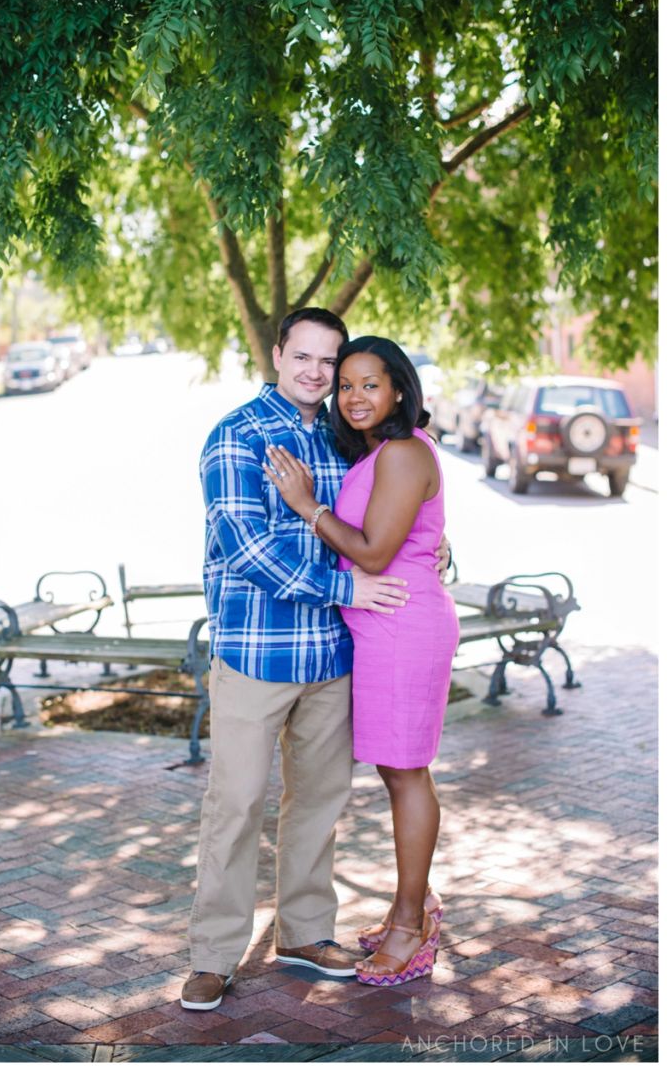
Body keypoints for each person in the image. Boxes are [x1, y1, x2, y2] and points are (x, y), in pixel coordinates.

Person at [182, 308, 449, 1011]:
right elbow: (245, 547)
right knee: (236, 804)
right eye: (303, 356)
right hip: (255, 649)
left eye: (329, 362)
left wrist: (430, 552)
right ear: (277, 354)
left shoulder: (344, 442)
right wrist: (347, 583)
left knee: (318, 805)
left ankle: (304, 932)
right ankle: (213, 955)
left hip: (333, 651)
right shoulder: (236, 435)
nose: (316, 372)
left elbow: (382, 523)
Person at [265, 336, 459, 987]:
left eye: (369, 383)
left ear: (399, 388)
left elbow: (374, 553)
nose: (352, 395)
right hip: (380, 628)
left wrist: (307, 506)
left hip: (404, 625)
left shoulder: (402, 452)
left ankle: (410, 923)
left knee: (407, 775)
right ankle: (417, 902)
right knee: (398, 772)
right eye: (345, 384)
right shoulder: (384, 452)